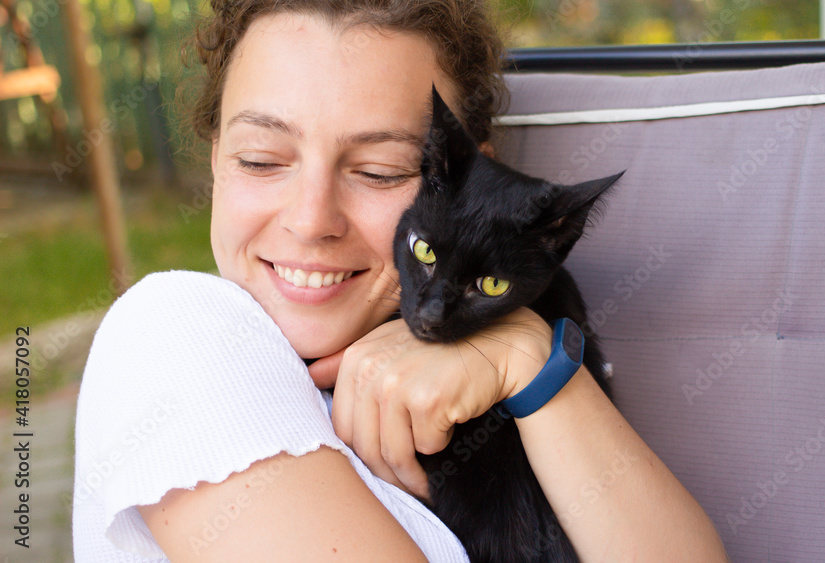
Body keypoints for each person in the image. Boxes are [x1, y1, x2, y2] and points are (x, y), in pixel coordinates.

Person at [72, 0, 729, 560]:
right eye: (262, 158)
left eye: (381, 171)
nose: (310, 220)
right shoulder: (173, 333)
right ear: (216, 159)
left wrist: (528, 361)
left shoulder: (492, 370)